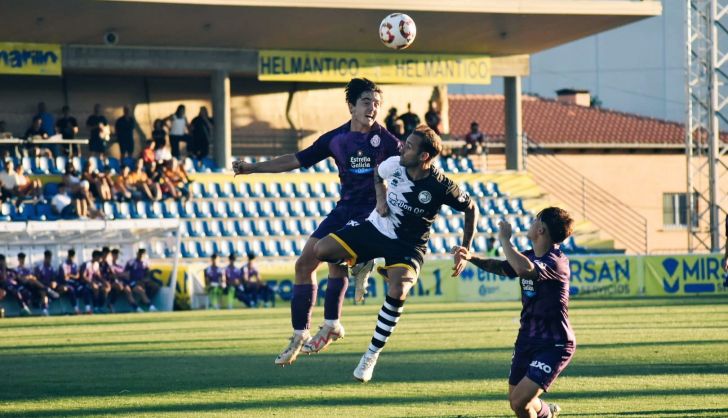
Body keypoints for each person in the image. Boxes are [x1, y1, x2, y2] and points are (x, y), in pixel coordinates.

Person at [232, 78, 401, 366]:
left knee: (333, 257)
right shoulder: (336, 139)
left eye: (376, 104)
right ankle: (302, 332)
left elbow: (408, 174)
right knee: (304, 264)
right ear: (351, 106)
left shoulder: (387, 142)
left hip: (369, 215)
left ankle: (352, 279)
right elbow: (296, 160)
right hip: (343, 209)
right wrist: (253, 168)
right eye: (366, 102)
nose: (372, 108)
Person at [313, 125, 477, 382]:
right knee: (321, 250)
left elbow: (471, 208)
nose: (403, 148)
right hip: (375, 229)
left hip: (408, 246)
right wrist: (380, 199)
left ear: (424, 157)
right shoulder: (393, 163)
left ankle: (371, 354)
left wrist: (465, 248)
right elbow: (378, 175)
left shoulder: (441, 186)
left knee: (399, 289)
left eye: (410, 146)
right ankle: (362, 262)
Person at [452, 207, 576, 418]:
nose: (531, 223)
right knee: (516, 400)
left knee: (520, 401)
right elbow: (502, 267)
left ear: (541, 229)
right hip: (527, 338)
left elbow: (524, 269)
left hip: (554, 343)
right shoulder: (528, 256)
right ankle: (547, 412)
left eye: (535, 220)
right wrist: (472, 257)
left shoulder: (556, 261)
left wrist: (505, 240)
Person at [59, 249, 89, 314]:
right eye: (70, 256)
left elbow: (77, 276)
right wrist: (72, 276)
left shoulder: (75, 265)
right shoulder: (63, 265)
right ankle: (76, 309)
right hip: (67, 284)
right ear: (68, 256)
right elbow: (65, 277)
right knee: (71, 290)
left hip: (75, 284)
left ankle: (88, 309)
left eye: (73, 256)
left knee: (85, 289)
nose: (72, 258)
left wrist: (70, 275)